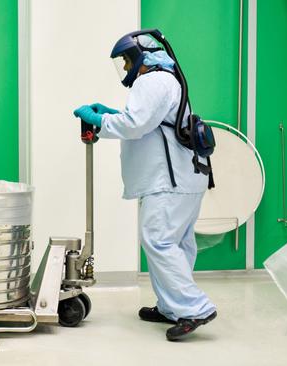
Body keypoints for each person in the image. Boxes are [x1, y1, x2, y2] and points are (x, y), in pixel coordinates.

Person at [73, 30, 217, 341]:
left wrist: (100, 121)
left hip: (169, 181)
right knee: (176, 244)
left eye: (125, 61)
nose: (125, 69)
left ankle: (195, 308)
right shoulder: (167, 79)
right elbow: (150, 123)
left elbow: (136, 125)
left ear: (141, 56)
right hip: (187, 176)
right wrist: (113, 115)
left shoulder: (151, 81)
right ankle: (171, 306)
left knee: (159, 241)